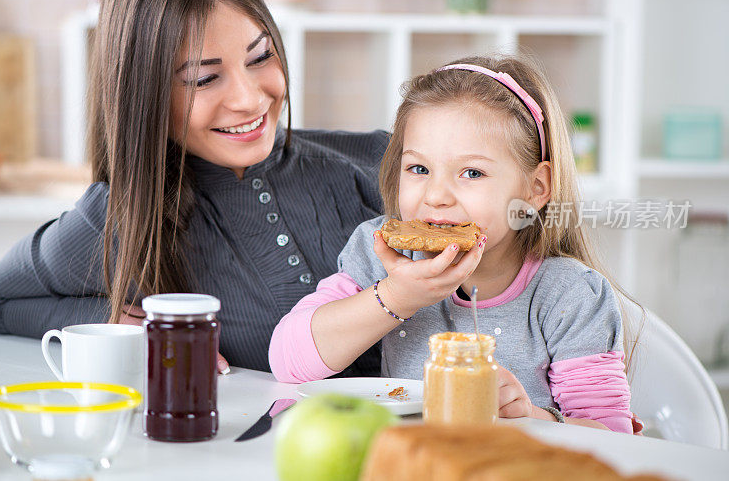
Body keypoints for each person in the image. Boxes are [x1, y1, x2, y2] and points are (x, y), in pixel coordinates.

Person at [0, 0, 386, 377]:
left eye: (260, 56)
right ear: (144, 97)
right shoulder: (124, 218)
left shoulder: (384, 163)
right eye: (204, 79)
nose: (249, 99)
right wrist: (110, 322)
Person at [269, 55, 638, 433]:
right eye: (419, 169)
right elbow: (288, 361)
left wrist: (531, 415)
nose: (437, 195)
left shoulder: (570, 295)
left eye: (472, 173)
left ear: (535, 188)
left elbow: (612, 438)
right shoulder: (382, 252)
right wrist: (397, 296)